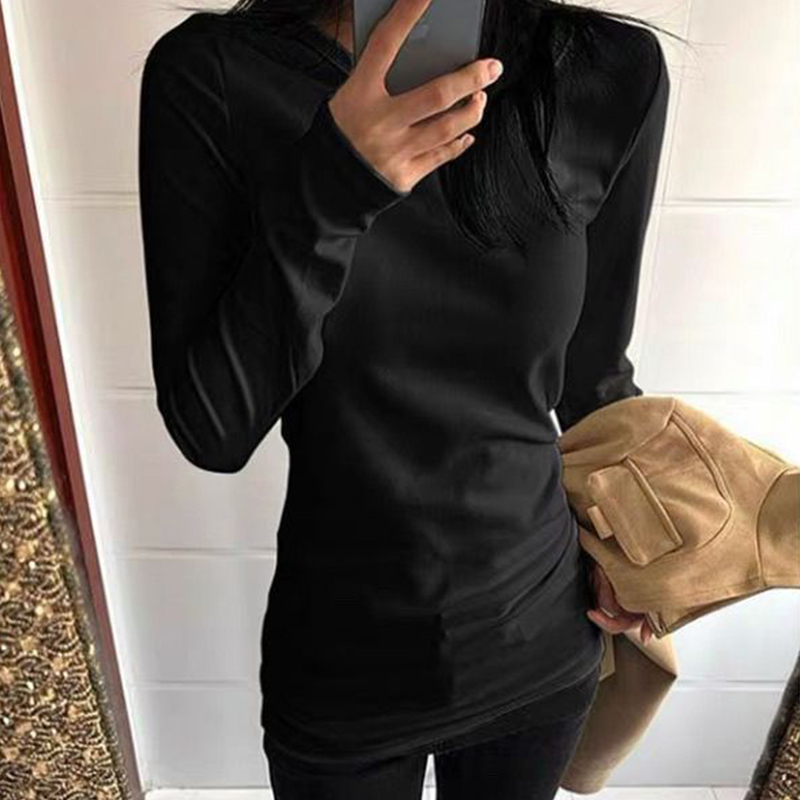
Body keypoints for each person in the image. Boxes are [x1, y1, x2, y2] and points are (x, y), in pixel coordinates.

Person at [137, 0, 671, 797]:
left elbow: (596, 376)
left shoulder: (606, 68)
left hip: (538, 637)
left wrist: (635, 551)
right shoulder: (213, 74)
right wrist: (333, 184)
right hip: (346, 658)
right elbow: (214, 429)